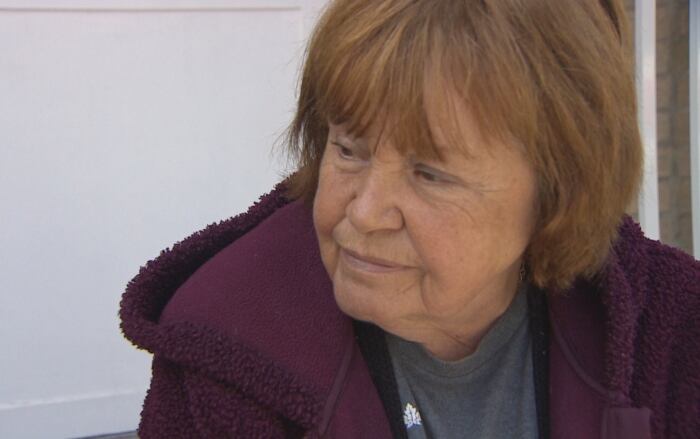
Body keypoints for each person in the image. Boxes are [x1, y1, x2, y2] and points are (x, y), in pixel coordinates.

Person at [119, 0, 699, 437]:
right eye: (348, 149)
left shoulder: (673, 328)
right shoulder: (223, 352)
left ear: (557, 193)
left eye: (430, 174)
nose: (364, 212)